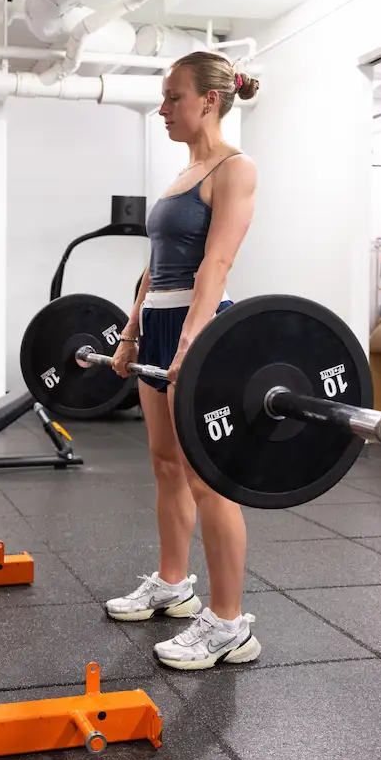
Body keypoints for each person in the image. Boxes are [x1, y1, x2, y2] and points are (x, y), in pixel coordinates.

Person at [105, 51, 261, 670]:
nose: (164, 108)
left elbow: (215, 266)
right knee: (166, 462)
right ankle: (174, 582)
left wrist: (192, 342)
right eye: (164, 98)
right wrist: (130, 331)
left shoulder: (234, 169)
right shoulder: (181, 173)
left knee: (207, 477)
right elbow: (154, 266)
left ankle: (228, 623)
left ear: (209, 101)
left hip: (202, 327)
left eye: (174, 97)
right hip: (162, 324)